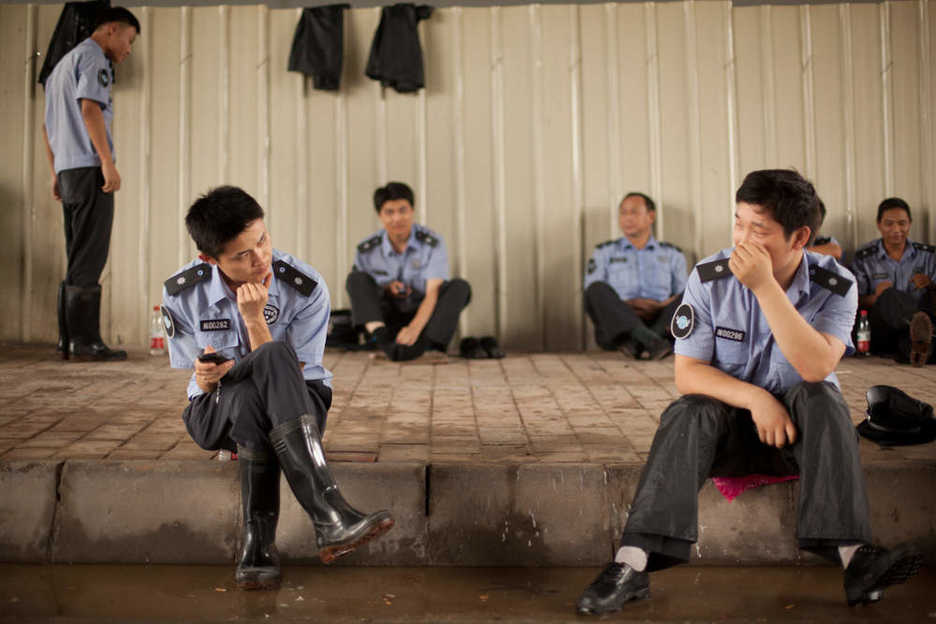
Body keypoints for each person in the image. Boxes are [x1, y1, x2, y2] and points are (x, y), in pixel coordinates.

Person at [576, 170, 921, 615]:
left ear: (800, 237)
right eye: (738, 222)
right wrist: (757, 399)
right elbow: (688, 373)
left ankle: (856, 559)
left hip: (800, 438)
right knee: (687, 411)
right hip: (723, 437)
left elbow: (816, 366)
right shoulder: (709, 277)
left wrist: (765, 286)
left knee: (823, 397)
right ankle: (632, 563)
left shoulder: (835, 285)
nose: (742, 239)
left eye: (758, 230)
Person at [161, 186, 393, 590]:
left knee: (266, 374)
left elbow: (291, 374)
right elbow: (193, 372)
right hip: (216, 413)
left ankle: (258, 548)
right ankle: (330, 515)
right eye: (242, 254)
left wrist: (254, 321)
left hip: (299, 404)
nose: (261, 257)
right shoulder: (183, 292)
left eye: (263, 240)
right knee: (256, 379)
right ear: (209, 259)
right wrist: (204, 376)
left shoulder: (304, 286)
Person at [42, 6, 140, 361]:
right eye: (129, 39)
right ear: (111, 29)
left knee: (77, 253)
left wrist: (55, 172)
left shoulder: (60, 67)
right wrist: (107, 162)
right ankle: (85, 343)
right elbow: (89, 109)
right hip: (88, 168)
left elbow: (47, 126)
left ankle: (68, 341)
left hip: (68, 171)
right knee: (91, 254)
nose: (129, 49)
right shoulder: (94, 57)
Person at [347, 182, 471, 361]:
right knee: (355, 279)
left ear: (412, 210)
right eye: (389, 212)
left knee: (460, 287)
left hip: (423, 319)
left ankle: (426, 346)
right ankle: (383, 341)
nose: (397, 218)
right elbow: (363, 295)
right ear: (380, 215)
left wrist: (414, 328)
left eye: (402, 210)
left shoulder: (432, 244)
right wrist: (387, 288)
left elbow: (432, 292)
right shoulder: (366, 250)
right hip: (387, 320)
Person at [583, 192, 687, 360]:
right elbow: (595, 294)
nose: (627, 218)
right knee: (595, 290)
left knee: (691, 295)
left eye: (634, 212)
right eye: (623, 213)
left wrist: (659, 306)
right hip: (617, 326)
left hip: (660, 322)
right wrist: (628, 305)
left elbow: (683, 293)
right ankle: (651, 341)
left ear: (651, 216)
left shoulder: (672, 254)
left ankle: (638, 341)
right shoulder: (604, 252)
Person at [851, 197, 936, 366]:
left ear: (910, 224)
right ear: (879, 224)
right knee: (889, 296)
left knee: (908, 347)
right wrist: (877, 297)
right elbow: (854, 301)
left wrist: (931, 285)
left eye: (902, 223)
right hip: (881, 327)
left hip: (914, 326)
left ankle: (919, 343)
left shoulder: (928, 255)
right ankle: (919, 329)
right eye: (889, 224)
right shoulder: (865, 257)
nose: (896, 229)